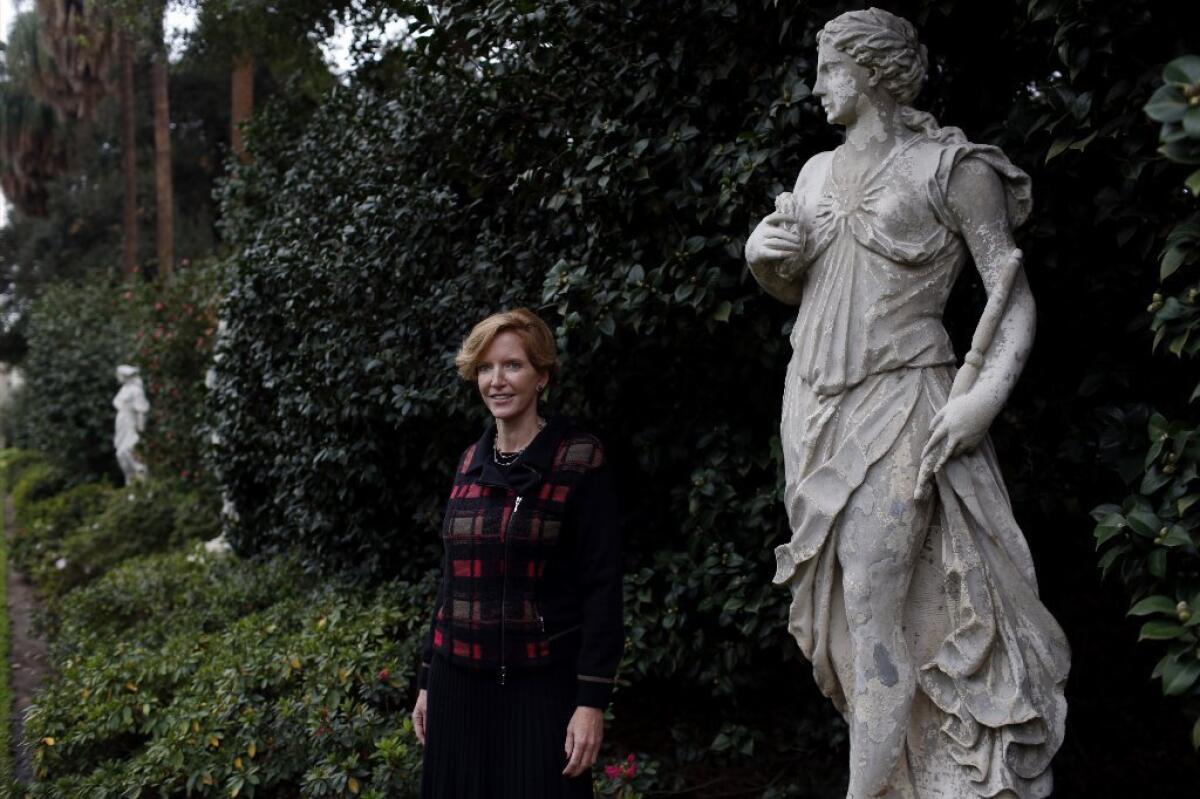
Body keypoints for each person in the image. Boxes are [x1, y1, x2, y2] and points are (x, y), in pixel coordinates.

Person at [745, 9, 1068, 798]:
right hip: (814, 405)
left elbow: (1012, 295)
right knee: (847, 620)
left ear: (871, 70)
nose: (818, 86)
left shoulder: (953, 168)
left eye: (829, 68)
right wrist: (762, 257)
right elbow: (797, 282)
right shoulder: (816, 173)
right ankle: (904, 774)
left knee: (871, 597)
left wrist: (984, 400)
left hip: (905, 401)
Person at [412, 308, 623, 798]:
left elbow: (603, 587)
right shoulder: (470, 460)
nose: (496, 381)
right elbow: (451, 580)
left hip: (538, 689)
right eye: (485, 368)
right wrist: (427, 680)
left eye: (512, 366)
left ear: (542, 376)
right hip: (456, 685)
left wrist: (591, 700)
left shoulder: (578, 459)